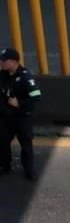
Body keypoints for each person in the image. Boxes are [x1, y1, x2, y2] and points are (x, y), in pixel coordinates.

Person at [0, 48, 40, 180]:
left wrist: (19, 104)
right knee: (3, 142)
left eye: (3, 60)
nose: (1, 63)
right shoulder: (3, 75)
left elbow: (36, 96)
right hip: (6, 117)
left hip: (22, 117)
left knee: (26, 145)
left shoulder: (25, 77)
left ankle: (29, 170)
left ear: (12, 62)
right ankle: (4, 166)